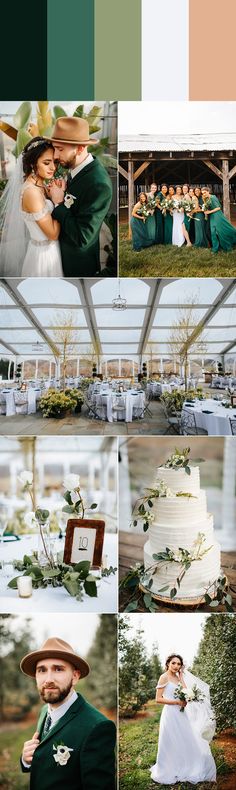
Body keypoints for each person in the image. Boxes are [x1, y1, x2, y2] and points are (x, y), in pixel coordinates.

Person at [20, 636, 116, 790]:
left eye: (58, 669)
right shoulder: (45, 710)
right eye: (42, 670)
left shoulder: (98, 727)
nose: (48, 679)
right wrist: (26, 759)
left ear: (75, 676)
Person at [47, 117, 113, 276]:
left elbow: (83, 237)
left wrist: (58, 203)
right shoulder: (74, 168)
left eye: (60, 149)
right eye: (55, 148)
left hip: (77, 266)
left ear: (80, 148)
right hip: (59, 258)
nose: (55, 155)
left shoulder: (99, 184)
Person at [0, 137, 63, 276]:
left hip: (51, 251)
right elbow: (52, 234)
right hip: (43, 256)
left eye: (55, 162)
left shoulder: (39, 185)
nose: (53, 167)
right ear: (33, 164)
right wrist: (59, 202)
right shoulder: (31, 192)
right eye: (47, 163)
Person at [151, 653, 216, 784]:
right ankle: (169, 767)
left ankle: (187, 763)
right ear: (168, 664)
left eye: (178, 664)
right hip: (170, 713)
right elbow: (158, 699)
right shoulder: (163, 677)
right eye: (173, 663)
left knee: (185, 737)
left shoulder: (178, 677)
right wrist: (176, 703)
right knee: (170, 739)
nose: (176, 666)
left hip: (182, 713)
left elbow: (185, 692)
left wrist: (181, 678)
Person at [201, 187, 236, 253]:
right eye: (202, 193)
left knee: (221, 231)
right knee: (213, 232)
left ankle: (226, 246)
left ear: (208, 191)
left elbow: (218, 208)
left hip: (217, 215)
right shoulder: (207, 199)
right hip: (212, 217)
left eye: (205, 192)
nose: (204, 194)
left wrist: (209, 212)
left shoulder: (213, 197)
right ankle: (215, 248)